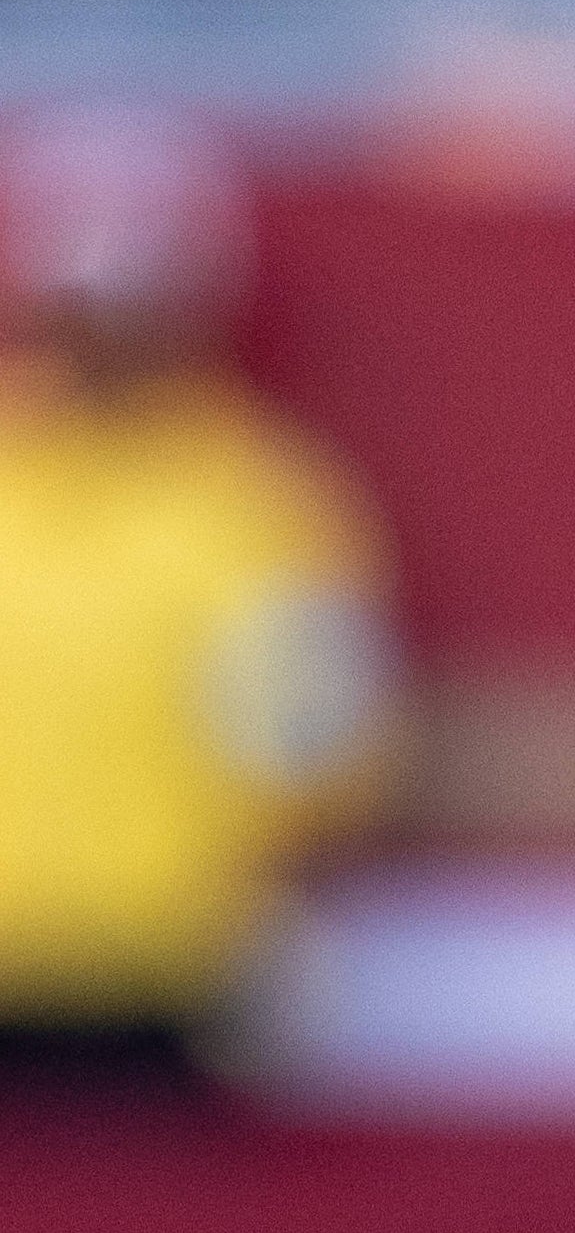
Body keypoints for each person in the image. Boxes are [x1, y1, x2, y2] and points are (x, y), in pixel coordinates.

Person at [0, 109, 398, 1102]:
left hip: (169, 992)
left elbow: (317, 758)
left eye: (133, 297)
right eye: (77, 294)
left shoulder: (258, 507)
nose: (100, 327)